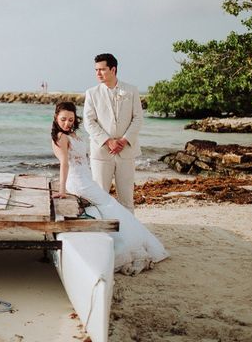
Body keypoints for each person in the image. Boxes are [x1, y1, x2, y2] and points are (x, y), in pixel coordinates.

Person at [51, 102, 168, 274]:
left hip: (86, 179)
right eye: (63, 119)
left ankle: (122, 243)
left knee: (108, 206)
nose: (67, 123)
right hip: (78, 182)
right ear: (55, 118)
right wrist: (62, 190)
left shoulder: (73, 134)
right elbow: (64, 165)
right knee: (109, 205)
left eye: (70, 119)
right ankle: (125, 246)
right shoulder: (61, 137)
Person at [83, 53, 143, 212]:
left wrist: (124, 140)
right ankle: (102, 232)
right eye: (96, 70)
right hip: (101, 151)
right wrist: (108, 141)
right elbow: (89, 122)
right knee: (100, 197)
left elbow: (138, 118)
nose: (98, 73)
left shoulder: (131, 90)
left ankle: (130, 234)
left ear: (113, 69)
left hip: (126, 151)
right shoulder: (91, 93)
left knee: (127, 198)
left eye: (102, 69)